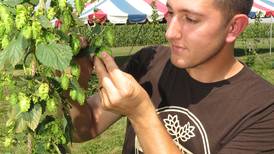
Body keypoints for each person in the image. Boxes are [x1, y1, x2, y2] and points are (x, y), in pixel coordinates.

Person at [70, 0, 274, 153]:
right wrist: (73, 79)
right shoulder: (149, 61)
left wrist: (141, 113)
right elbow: (84, 129)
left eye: (191, 19)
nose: (170, 32)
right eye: (170, 13)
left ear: (233, 27)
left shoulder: (263, 110)